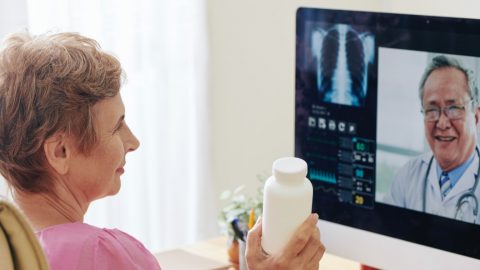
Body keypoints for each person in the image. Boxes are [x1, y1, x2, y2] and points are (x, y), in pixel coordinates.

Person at [0, 32, 325, 269]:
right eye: (117, 126)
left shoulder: (12, 250)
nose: (133, 141)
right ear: (60, 152)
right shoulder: (102, 255)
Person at [387, 55, 480, 224]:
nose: (442, 123)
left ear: (476, 116)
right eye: (431, 109)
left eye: (454, 108)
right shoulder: (407, 176)